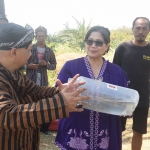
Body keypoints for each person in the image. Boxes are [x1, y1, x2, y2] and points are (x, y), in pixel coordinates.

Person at [0, 23, 89, 150]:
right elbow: (7, 115)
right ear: (14, 52)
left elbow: (35, 90)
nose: (31, 54)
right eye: (30, 50)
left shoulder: (15, 73)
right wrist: (60, 103)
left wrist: (59, 91)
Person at [54, 26, 129, 150]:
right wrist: (60, 93)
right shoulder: (71, 67)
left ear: (107, 46)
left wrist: (125, 108)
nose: (93, 45)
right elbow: (58, 93)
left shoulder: (116, 71)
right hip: (76, 126)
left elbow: (124, 99)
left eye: (99, 43)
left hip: (106, 128)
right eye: (90, 41)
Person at [113, 17, 150, 150]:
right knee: (118, 130)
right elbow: (114, 72)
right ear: (132, 29)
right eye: (138, 28)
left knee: (138, 131)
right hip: (122, 98)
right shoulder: (122, 47)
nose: (141, 31)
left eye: (144, 28)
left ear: (149, 30)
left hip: (143, 97)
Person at [26, 26, 56, 135]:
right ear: (36, 37)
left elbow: (53, 66)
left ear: (46, 37)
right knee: (28, 101)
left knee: (44, 102)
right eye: (39, 36)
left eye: (43, 36)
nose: (41, 38)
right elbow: (21, 63)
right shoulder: (29, 48)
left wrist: (46, 65)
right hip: (30, 79)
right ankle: (29, 125)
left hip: (43, 79)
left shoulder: (49, 51)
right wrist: (28, 66)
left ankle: (44, 128)